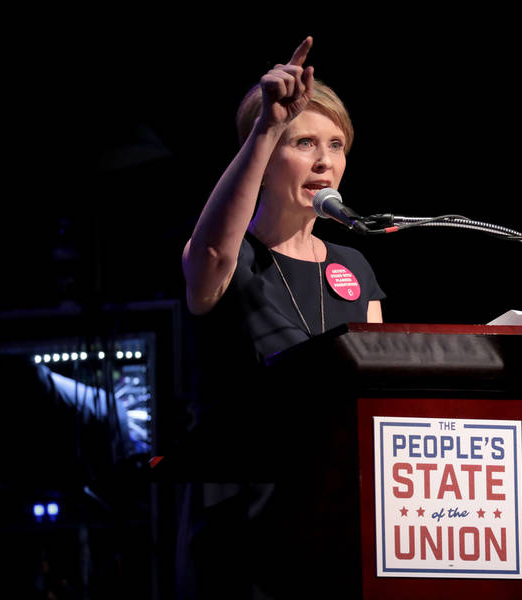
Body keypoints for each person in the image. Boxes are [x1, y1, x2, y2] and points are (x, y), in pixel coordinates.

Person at [175, 37, 384, 599]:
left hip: (338, 526)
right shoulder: (228, 256)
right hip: (243, 533)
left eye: (337, 144)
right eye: (305, 142)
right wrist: (268, 123)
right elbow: (212, 254)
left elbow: (380, 395)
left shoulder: (355, 267)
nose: (326, 160)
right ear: (263, 159)